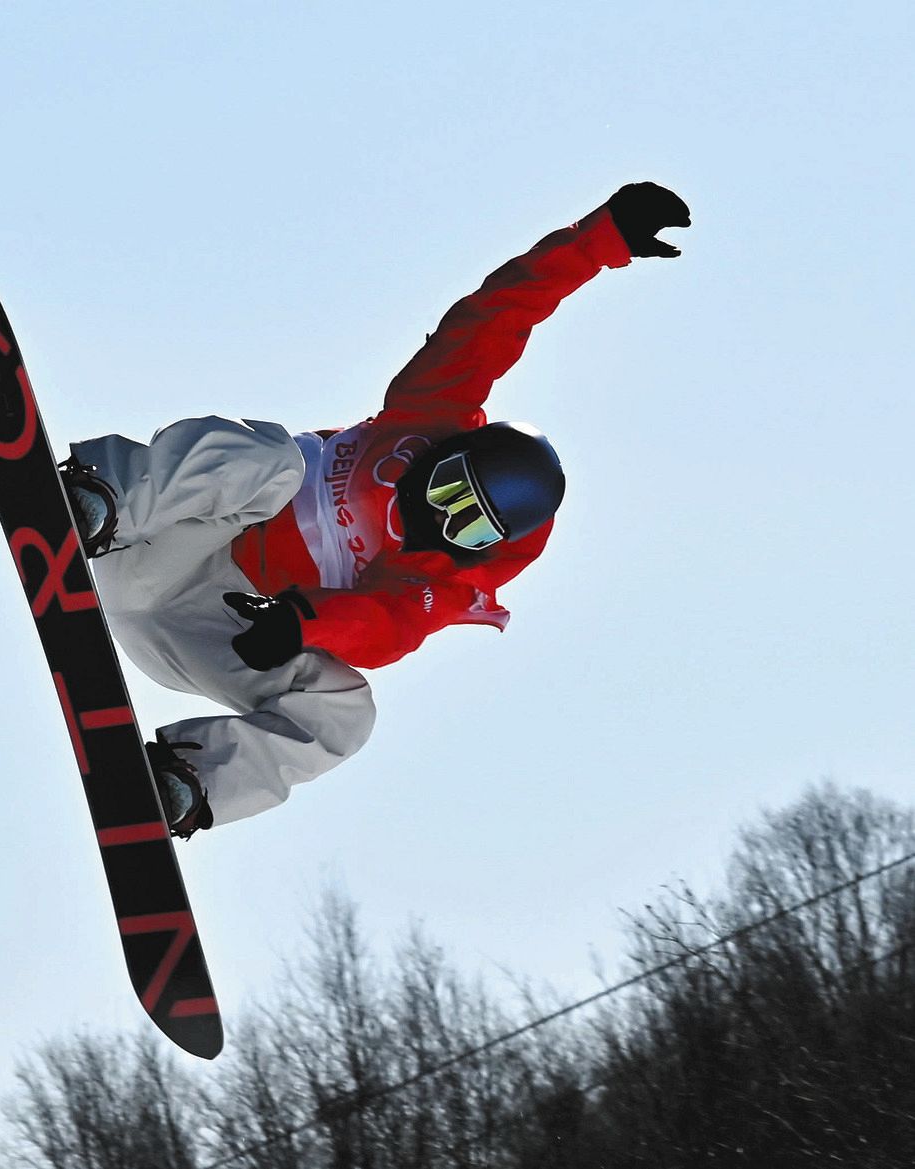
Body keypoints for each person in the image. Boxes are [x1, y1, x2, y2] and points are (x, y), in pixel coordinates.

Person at [61, 181, 691, 838]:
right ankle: (101, 499)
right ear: (455, 448)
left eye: (466, 525)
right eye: (449, 486)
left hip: (207, 632)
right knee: (278, 460)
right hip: (156, 546)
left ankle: (189, 782)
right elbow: (498, 315)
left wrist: (302, 623)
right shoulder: (431, 409)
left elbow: (388, 624)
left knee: (348, 712)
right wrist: (601, 241)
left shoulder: (440, 576)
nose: (439, 515)